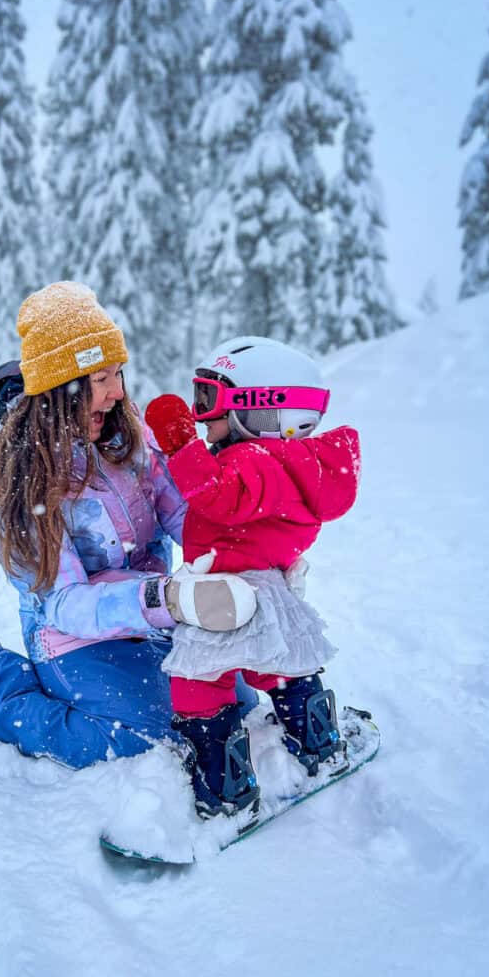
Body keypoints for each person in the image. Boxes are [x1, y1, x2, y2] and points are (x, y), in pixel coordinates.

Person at [0, 282, 258, 769]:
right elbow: (65, 605)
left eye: (118, 375)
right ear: (58, 389)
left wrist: (243, 555)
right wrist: (166, 599)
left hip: (154, 613)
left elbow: (181, 515)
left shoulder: (128, 434)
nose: (116, 393)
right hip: (72, 634)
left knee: (236, 704)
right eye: (101, 379)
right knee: (143, 739)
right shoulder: (18, 489)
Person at [144, 335, 361, 819]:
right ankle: (316, 736)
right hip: (267, 597)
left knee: (200, 686)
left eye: (209, 400)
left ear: (262, 408)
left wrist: (178, 442)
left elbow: (217, 495)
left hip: (226, 602)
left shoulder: (255, 463)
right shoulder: (294, 466)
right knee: (281, 668)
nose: (201, 416)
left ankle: (223, 784)